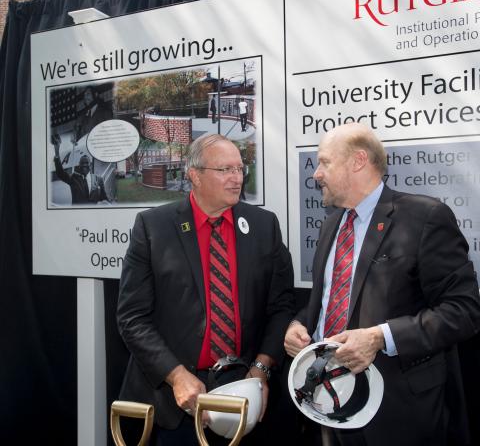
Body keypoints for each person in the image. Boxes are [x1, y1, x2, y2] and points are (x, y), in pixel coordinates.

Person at [284, 123, 480, 446]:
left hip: (398, 415)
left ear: (358, 161)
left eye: (324, 162)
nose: (316, 174)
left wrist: (379, 337)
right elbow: (330, 299)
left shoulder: (425, 218)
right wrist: (299, 324)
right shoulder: (331, 224)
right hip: (331, 403)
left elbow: (464, 311)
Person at [117, 134, 295, 445]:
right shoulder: (153, 227)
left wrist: (261, 369)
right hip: (179, 397)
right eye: (225, 170)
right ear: (194, 175)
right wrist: (176, 375)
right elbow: (132, 317)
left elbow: (280, 305)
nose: (236, 178)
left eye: (240, 169)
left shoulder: (264, 225)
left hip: (245, 390)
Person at [52, 134, 109, 205]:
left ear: (90, 165)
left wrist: (105, 204)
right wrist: (57, 152)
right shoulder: (74, 178)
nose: (84, 165)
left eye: (86, 163)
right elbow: (60, 173)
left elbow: (104, 199)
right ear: (79, 166)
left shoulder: (99, 179)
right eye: (82, 163)